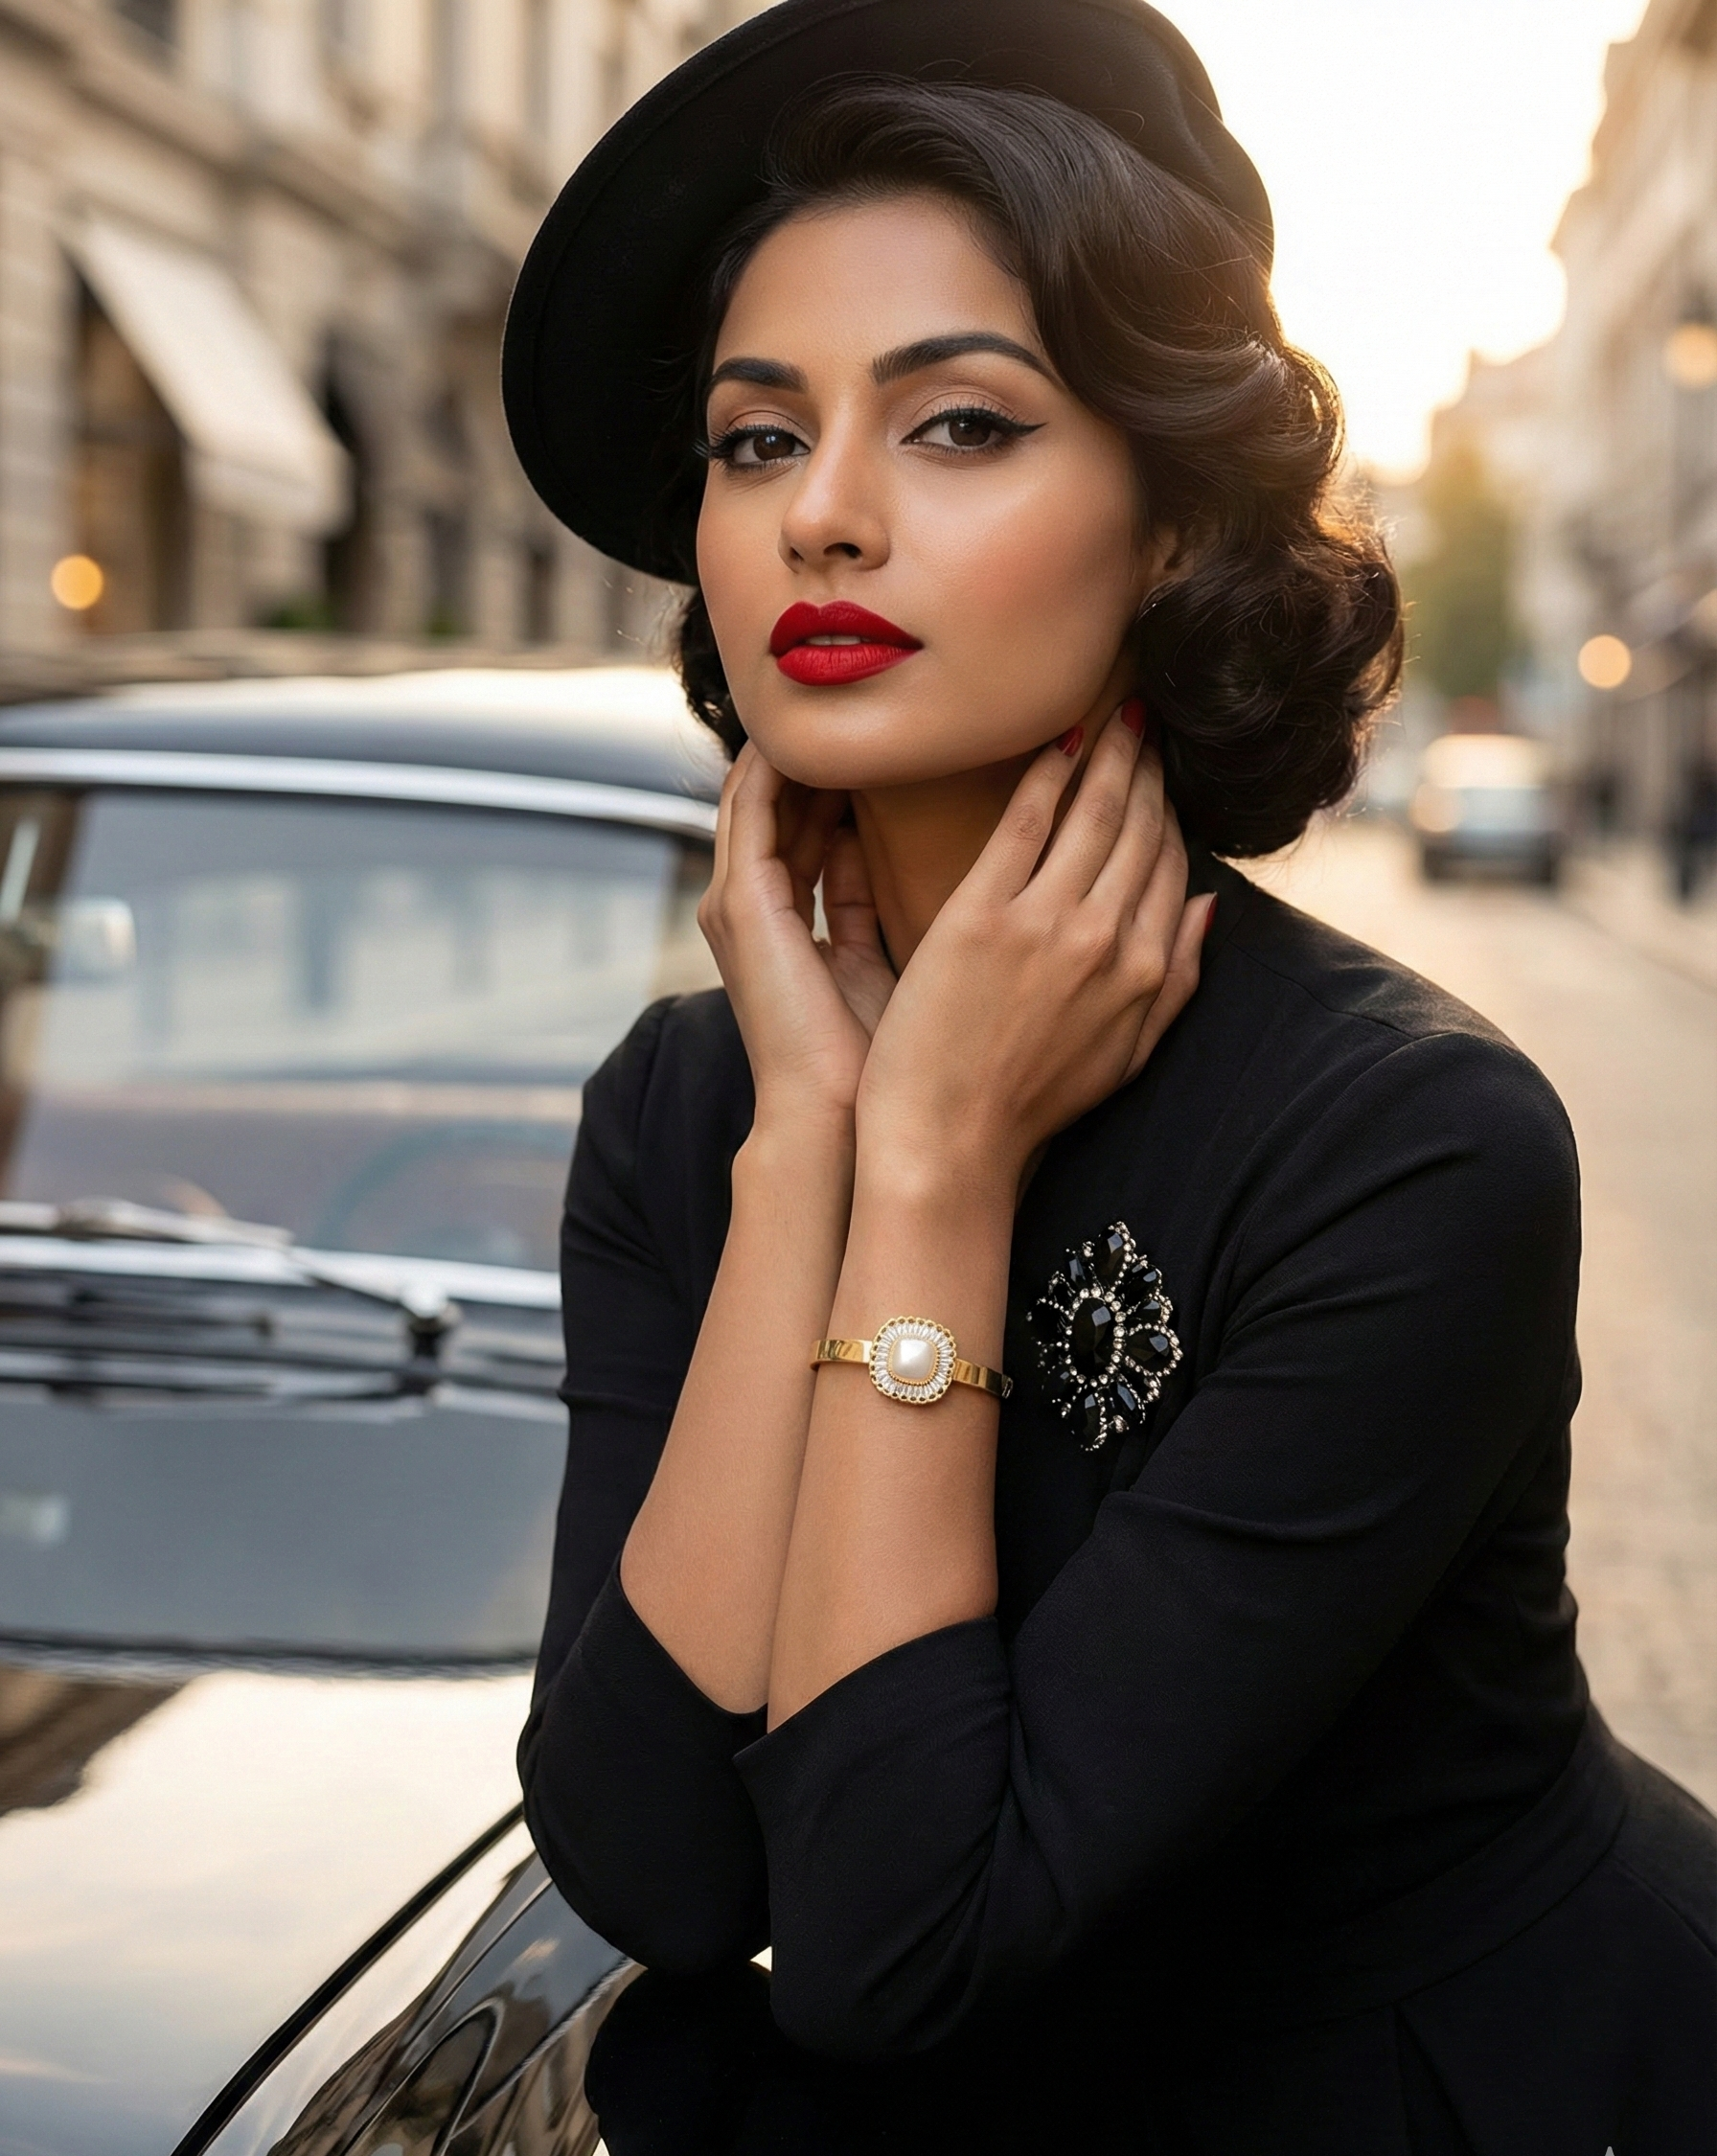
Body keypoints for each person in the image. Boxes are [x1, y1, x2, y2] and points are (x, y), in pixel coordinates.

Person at [502, 3, 1717, 2146]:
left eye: (958, 427)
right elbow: (651, 1867)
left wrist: (942, 1165)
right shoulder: (688, 1107)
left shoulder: (1406, 1144)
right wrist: (813, 1146)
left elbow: (895, 1941)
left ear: (1168, 527)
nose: (827, 519)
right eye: (758, 439)